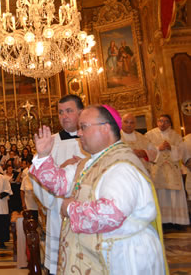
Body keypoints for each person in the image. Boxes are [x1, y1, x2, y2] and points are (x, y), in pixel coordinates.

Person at [31, 105, 166, 275]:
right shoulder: (91, 161)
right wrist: (43, 156)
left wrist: (70, 209)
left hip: (120, 258)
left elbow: (112, 213)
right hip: (99, 254)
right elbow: (59, 183)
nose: (79, 133)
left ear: (105, 128)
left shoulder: (122, 165)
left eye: (84, 127)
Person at [30, 94, 86, 275]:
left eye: (69, 111)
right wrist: (58, 171)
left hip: (88, 211)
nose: (64, 116)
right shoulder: (49, 142)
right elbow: (35, 174)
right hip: (59, 213)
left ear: (81, 112)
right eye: (61, 112)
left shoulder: (92, 138)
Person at [145, 114, 190, 226]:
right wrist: (158, 148)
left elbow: (182, 152)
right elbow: (147, 151)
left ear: (170, 123)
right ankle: (162, 222)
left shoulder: (176, 136)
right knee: (160, 194)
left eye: (166, 121)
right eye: (160, 121)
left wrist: (172, 148)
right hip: (157, 171)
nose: (163, 123)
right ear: (157, 122)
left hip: (173, 172)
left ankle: (177, 221)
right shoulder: (149, 135)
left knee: (174, 195)